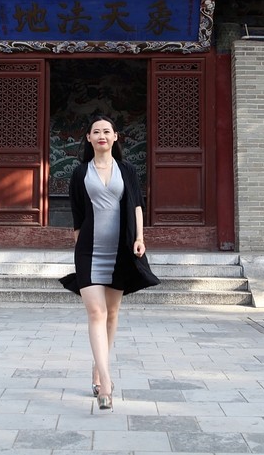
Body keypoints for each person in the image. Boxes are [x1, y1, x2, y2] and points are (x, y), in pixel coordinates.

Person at [59, 114, 159, 412]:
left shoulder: (127, 170)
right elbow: (77, 215)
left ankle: (97, 367)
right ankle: (105, 382)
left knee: (112, 313)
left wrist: (139, 238)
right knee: (96, 312)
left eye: (107, 131)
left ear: (115, 137)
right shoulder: (80, 173)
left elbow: (137, 205)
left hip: (120, 250)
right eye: (96, 131)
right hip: (89, 251)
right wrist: (79, 247)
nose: (101, 135)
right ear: (88, 138)